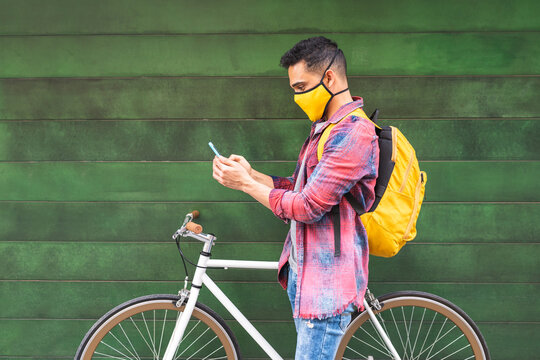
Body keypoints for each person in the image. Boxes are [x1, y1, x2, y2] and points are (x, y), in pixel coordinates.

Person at [212, 36, 379, 359]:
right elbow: (301, 189)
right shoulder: (327, 128)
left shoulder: (352, 133)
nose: (297, 97)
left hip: (326, 289)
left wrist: (246, 185)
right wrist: (252, 175)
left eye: (302, 87)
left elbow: (307, 207)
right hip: (307, 278)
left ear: (329, 77)